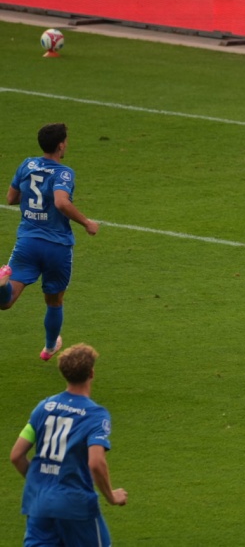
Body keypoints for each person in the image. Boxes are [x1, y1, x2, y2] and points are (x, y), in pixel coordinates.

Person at [10, 343, 127, 546]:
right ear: (92, 373)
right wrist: (111, 496)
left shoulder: (43, 407)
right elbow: (96, 463)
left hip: (39, 504)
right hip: (76, 506)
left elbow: (16, 456)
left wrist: (41, 484)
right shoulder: (95, 415)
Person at [1, 123, 99, 361]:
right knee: (54, 301)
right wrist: (86, 222)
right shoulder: (63, 172)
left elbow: (11, 198)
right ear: (60, 144)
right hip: (56, 246)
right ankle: (49, 347)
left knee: (6, 302)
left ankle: (2, 283)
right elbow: (61, 202)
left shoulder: (27, 164)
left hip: (28, 242)